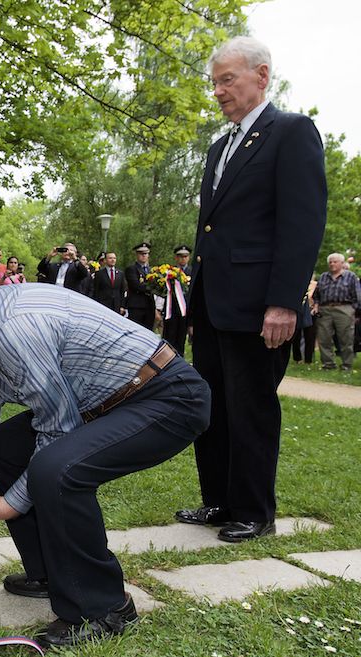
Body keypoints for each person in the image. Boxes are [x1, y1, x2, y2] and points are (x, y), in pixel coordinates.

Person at [0, 273, 210, 647]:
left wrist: (10, 504)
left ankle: (104, 609)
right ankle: (53, 574)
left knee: (55, 469)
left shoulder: (13, 329)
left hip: (167, 396)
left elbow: (58, 429)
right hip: (100, 404)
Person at [176, 36, 326, 542]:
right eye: (214, 82)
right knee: (212, 405)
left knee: (251, 408)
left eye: (227, 80)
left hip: (260, 305)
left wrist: (283, 302)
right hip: (213, 303)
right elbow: (211, 230)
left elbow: (302, 225)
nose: (218, 91)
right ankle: (219, 501)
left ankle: (255, 511)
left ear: (261, 76)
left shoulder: (292, 132)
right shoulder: (220, 147)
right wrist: (196, 300)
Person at [314, 253, 360, 371]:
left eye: (335, 261)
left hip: (344, 308)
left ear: (342, 263)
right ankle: (328, 364)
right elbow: (316, 295)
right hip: (325, 309)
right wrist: (316, 306)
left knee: (346, 338)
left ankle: (347, 365)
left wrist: (353, 310)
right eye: (330, 262)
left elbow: (357, 295)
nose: (332, 264)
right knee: (324, 338)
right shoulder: (323, 276)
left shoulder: (350, 276)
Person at [161, 245, 193, 356]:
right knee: (169, 339)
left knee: (181, 339)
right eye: (180, 256)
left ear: (189, 257)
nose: (183, 259)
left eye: (185, 256)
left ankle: (180, 360)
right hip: (171, 310)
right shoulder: (169, 272)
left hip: (186, 311)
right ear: (176, 257)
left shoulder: (192, 271)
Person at [124, 242, 155, 330]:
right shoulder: (131, 269)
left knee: (148, 331)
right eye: (141, 254)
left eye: (146, 253)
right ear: (137, 255)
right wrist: (153, 288)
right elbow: (136, 285)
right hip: (137, 306)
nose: (144, 256)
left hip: (149, 306)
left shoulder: (152, 270)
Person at [291, 275, 318, 364]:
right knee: (296, 336)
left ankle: (308, 359)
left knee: (310, 336)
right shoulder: (299, 283)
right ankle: (297, 358)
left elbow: (318, 297)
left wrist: (315, 307)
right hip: (299, 310)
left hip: (311, 312)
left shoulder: (315, 285)